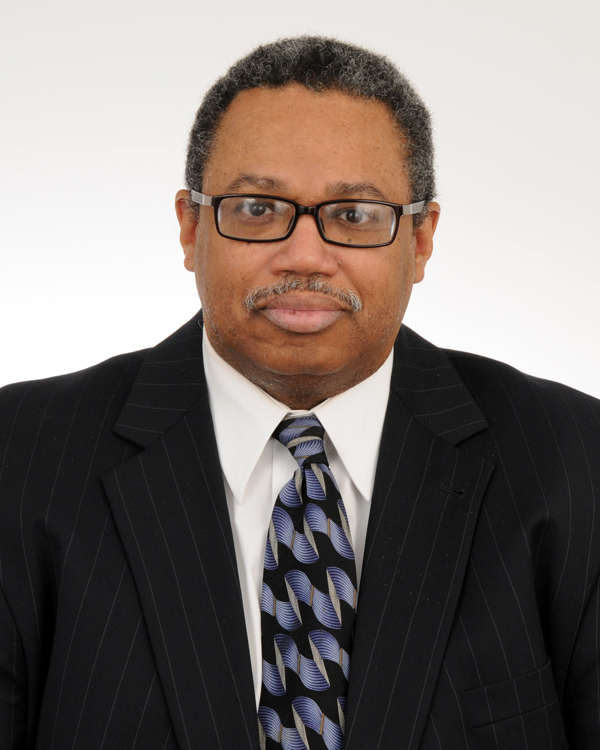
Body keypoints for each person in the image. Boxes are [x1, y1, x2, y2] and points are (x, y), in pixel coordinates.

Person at [0, 35, 598, 750]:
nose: (305, 256)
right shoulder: (19, 457)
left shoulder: (576, 461)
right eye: (257, 208)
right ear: (191, 228)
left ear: (421, 239)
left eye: (355, 214)